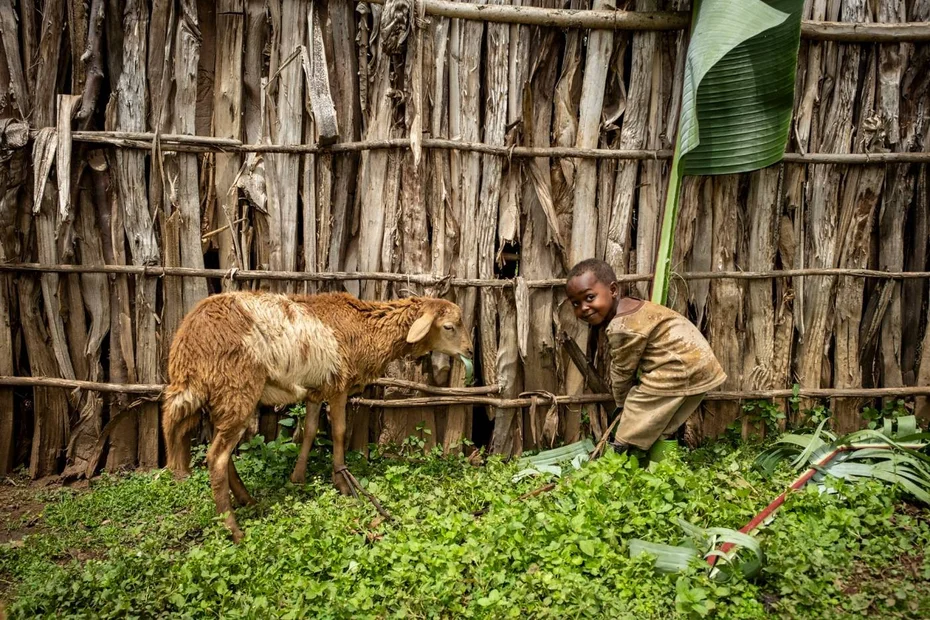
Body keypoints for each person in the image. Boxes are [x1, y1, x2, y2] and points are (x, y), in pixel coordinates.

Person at [564, 258, 727, 460]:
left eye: (589, 297)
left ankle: (613, 469)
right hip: (703, 367)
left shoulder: (622, 327)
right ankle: (659, 471)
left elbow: (623, 373)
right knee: (663, 426)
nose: (584, 308)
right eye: (576, 304)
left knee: (632, 420)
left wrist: (624, 406)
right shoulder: (634, 307)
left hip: (676, 369)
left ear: (613, 290)